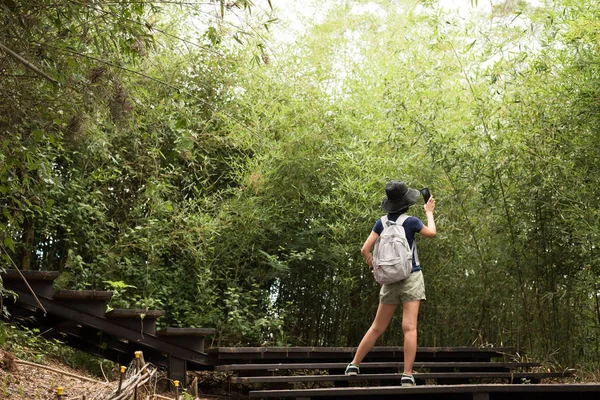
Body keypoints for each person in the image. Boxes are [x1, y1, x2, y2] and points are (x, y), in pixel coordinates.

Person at [345, 180, 436, 387]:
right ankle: (407, 375)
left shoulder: (381, 222)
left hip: (388, 280)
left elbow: (364, 250)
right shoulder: (412, 221)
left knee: (377, 327)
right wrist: (429, 212)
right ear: (407, 203)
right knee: (409, 328)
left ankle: (353, 364)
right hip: (410, 277)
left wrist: (375, 269)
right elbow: (432, 233)